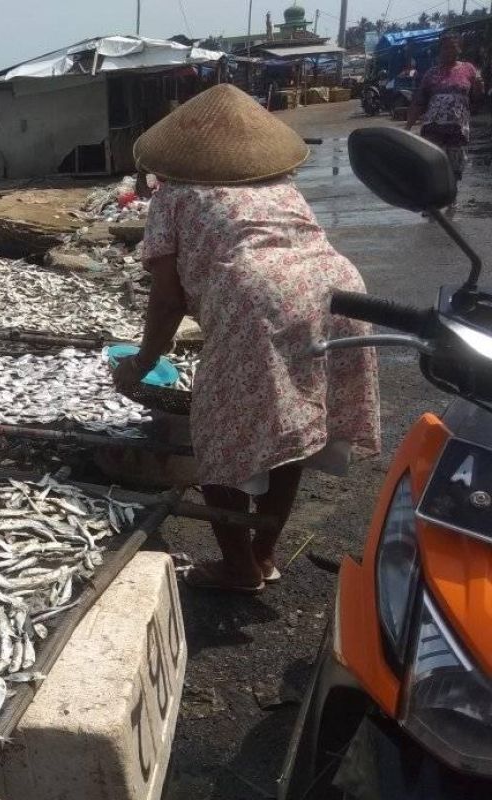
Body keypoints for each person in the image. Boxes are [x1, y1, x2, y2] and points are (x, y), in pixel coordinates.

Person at [112, 84, 381, 593]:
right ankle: (263, 554)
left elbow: (167, 300)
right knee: (291, 423)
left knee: (216, 438)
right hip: (339, 295)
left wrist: (142, 363)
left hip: (258, 304)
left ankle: (239, 567)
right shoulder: (281, 185)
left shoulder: (173, 196)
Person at [407, 34, 484, 182]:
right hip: (433, 128)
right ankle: (436, 202)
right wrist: (408, 127)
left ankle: (451, 203)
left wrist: (479, 86)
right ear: (440, 51)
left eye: (453, 48)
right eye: (445, 48)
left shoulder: (469, 69)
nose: (449, 51)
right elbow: (419, 103)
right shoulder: (431, 74)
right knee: (434, 169)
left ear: (459, 50)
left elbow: (477, 98)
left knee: (454, 172)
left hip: (458, 129)